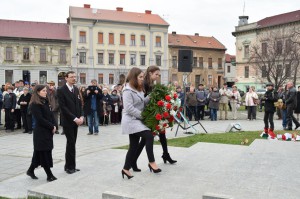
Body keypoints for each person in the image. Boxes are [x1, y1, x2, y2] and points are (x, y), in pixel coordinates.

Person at [132, 66, 177, 173]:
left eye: (158, 75)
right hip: (149, 114)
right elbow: (144, 100)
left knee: (161, 134)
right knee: (145, 139)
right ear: (150, 73)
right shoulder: (145, 84)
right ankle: (135, 160)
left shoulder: (152, 83)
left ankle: (165, 154)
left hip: (154, 113)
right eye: (156, 74)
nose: (157, 76)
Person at [121, 67, 161, 179]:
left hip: (136, 120)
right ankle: (152, 162)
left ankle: (125, 168)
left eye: (143, 77)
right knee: (149, 136)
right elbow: (129, 108)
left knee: (133, 146)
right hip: (131, 120)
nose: (143, 79)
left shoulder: (138, 88)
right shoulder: (127, 90)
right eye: (140, 77)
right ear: (134, 77)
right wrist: (143, 116)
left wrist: (152, 96)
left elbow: (142, 102)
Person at [26, 85, 57, 182]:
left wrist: (54, 125)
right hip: (40, 132)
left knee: (38, 153)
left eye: (46, 90)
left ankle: (30, 170)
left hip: (47, 130)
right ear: (38, 92)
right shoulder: (35, 104)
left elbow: (51, 115)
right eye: (43, 90)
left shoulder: (45, 101)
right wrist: (51, 126)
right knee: (44, 153)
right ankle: (49, 175)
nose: (46, 92)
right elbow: (40, 119)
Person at [57, 71, 84, 174]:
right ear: (66, 78)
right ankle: (69, 167)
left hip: (76, 121)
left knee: (72, 143)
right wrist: (74, 118)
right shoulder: (61, 90)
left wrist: (81, 116)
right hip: (68, 121)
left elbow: (80, 104)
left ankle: (70, 165)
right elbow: (63, 107)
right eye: (71, 77)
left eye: (75, 76)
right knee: (71, 143)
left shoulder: (76, 89)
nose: (74, 78)